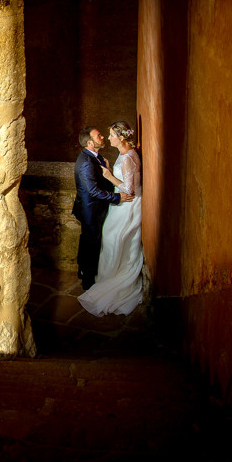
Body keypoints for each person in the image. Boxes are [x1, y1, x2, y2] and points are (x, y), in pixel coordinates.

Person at [79, 121, 145, 317]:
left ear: (121, 138)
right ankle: (108, 276)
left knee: (114, 239)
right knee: (111, 239)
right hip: (122, 203)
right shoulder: (126, 154)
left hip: (127, 204)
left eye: (111, 135)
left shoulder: (128, 157)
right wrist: (110, 168)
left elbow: (129, 189)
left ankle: (116, 279)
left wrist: (108, 175)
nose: (108, 138)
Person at [73, 126, 129, 290]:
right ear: (90, 143)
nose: (103, 137)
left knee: (89, 241)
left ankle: (83, 272)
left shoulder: (94, 157)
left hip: (93, 208)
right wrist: (117, 197)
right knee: (91, 243)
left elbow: (101, 180)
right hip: (90, 210)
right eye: (98, 136)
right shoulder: (86, 162)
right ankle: (88, 280)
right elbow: (93, 191)